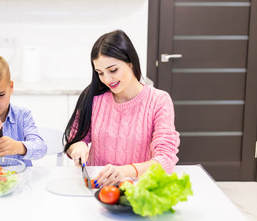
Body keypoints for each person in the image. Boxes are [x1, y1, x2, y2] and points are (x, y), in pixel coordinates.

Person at [64, 30, 179, 187]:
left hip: (138, 189)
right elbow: (73, 141)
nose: (106, 79)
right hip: (98, 188)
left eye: (113, 70)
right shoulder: (94, 98)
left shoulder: (158, 100)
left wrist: (126, 171)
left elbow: (165, 159)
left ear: (130, 62)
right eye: (100, 73)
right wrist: (78, 147)